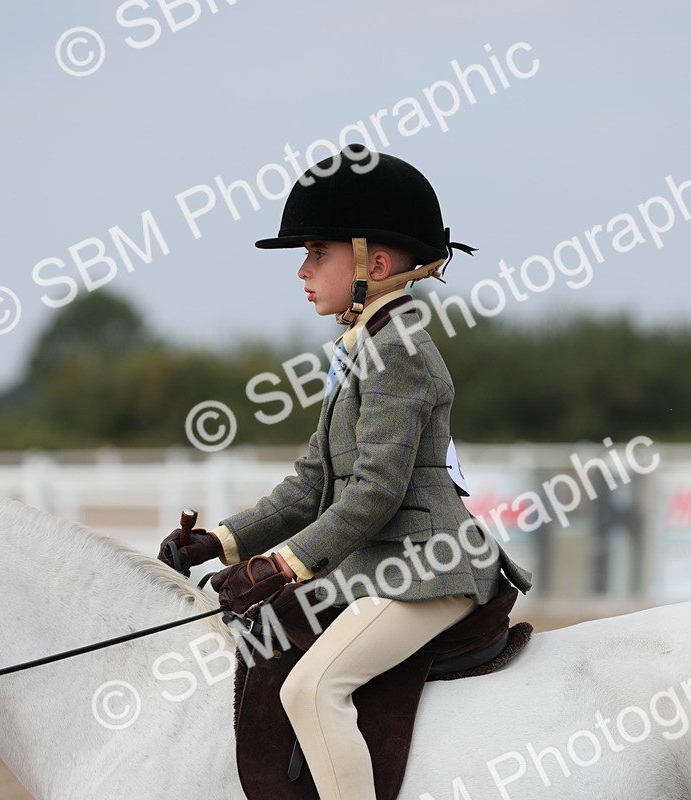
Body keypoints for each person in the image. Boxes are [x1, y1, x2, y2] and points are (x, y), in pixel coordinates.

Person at [158, 143, 532, 800]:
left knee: (313, 687)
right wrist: (222, 541)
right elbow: (310, 484)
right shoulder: (362, 349)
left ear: (375, 262)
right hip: (385, 568)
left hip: (429, 569)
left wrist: (283, 566)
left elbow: (377, 492)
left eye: (317, 254)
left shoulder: (400, 353)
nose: (302, 270)